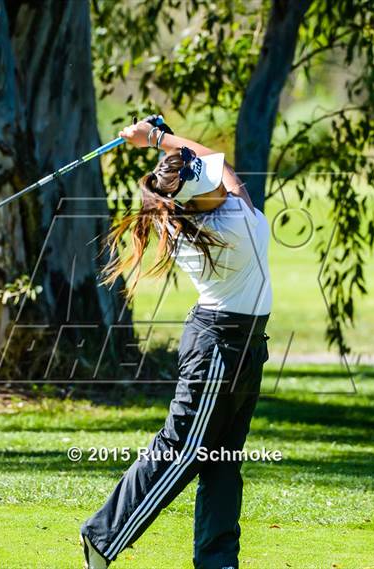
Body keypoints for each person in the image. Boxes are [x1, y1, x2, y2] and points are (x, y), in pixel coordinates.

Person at [80, 120, 272, 569]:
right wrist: (160, 137)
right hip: (219, 350)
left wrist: (159, 138)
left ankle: (217, 560)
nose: (217, 185)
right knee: (181, 450)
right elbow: (230, 174)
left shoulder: (198, 219)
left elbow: (212, 169)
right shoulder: (234, 227)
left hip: (239, 346)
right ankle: (102, 536)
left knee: (223, 461)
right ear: (194, 201)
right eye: (207, 187)